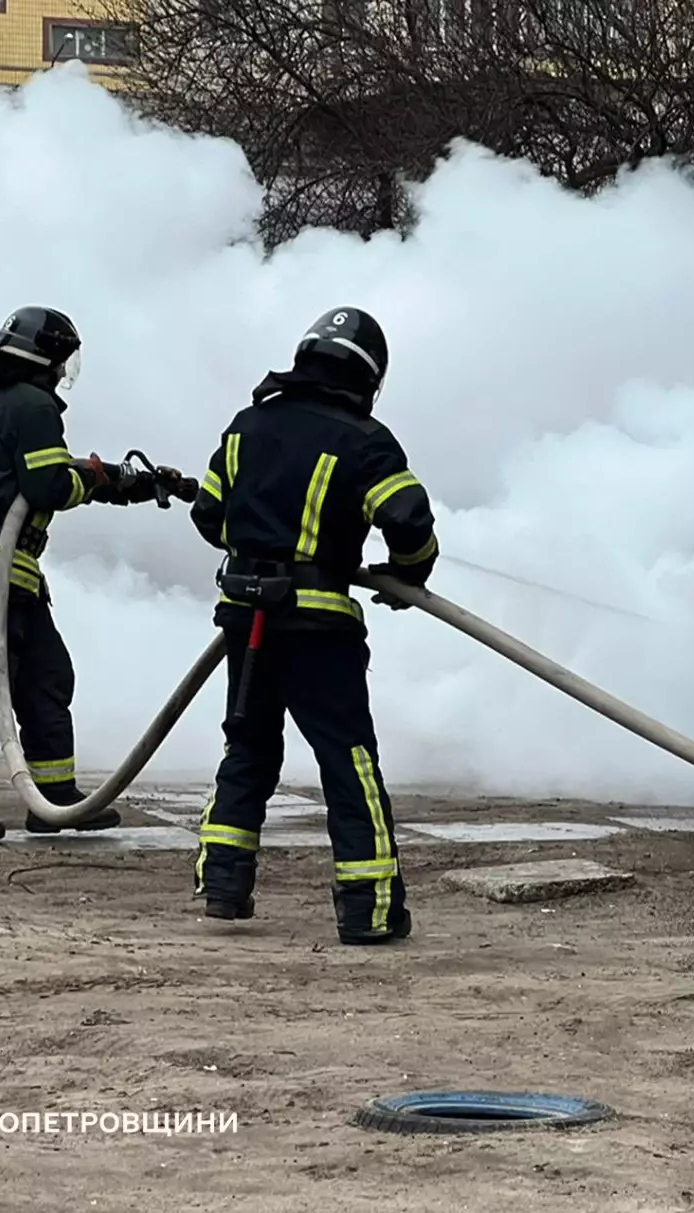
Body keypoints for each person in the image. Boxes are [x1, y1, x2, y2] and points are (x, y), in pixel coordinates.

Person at [188, 306, 436, 944]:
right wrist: (409, 576)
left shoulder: (248, 425)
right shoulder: (364, 437)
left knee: (248, 748)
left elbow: (208, 516)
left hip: (246, 618)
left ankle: (223, 883)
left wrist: (256, 537)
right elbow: (407, 520)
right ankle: (371, 910)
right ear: (368, 378)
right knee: (347, 759)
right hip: (317, 625)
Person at [0, 306, 185, 844]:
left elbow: (40, 473)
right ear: (44, 356)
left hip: (0, 570)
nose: (65, 372)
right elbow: (49, 487)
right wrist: (88, 479)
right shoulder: (33, 404)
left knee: (46, 676)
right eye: (62, 360)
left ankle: (55, 801)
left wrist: (119, 480)